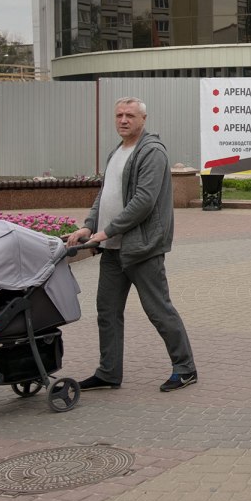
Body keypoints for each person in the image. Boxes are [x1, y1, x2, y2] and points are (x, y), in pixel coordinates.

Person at [67, 97, 197, 393]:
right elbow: (105, 195)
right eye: (119, 115)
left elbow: (144, 201)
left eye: (130, 115)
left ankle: (185, 368)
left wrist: (106, 231)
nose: (123, 120)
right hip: (113, 249)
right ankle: (108, 372)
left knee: (158, 310)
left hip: (142, 248)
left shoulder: (151, 152)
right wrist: (89, 225)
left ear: (143, 119)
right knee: (107, 312)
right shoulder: (117, 152)